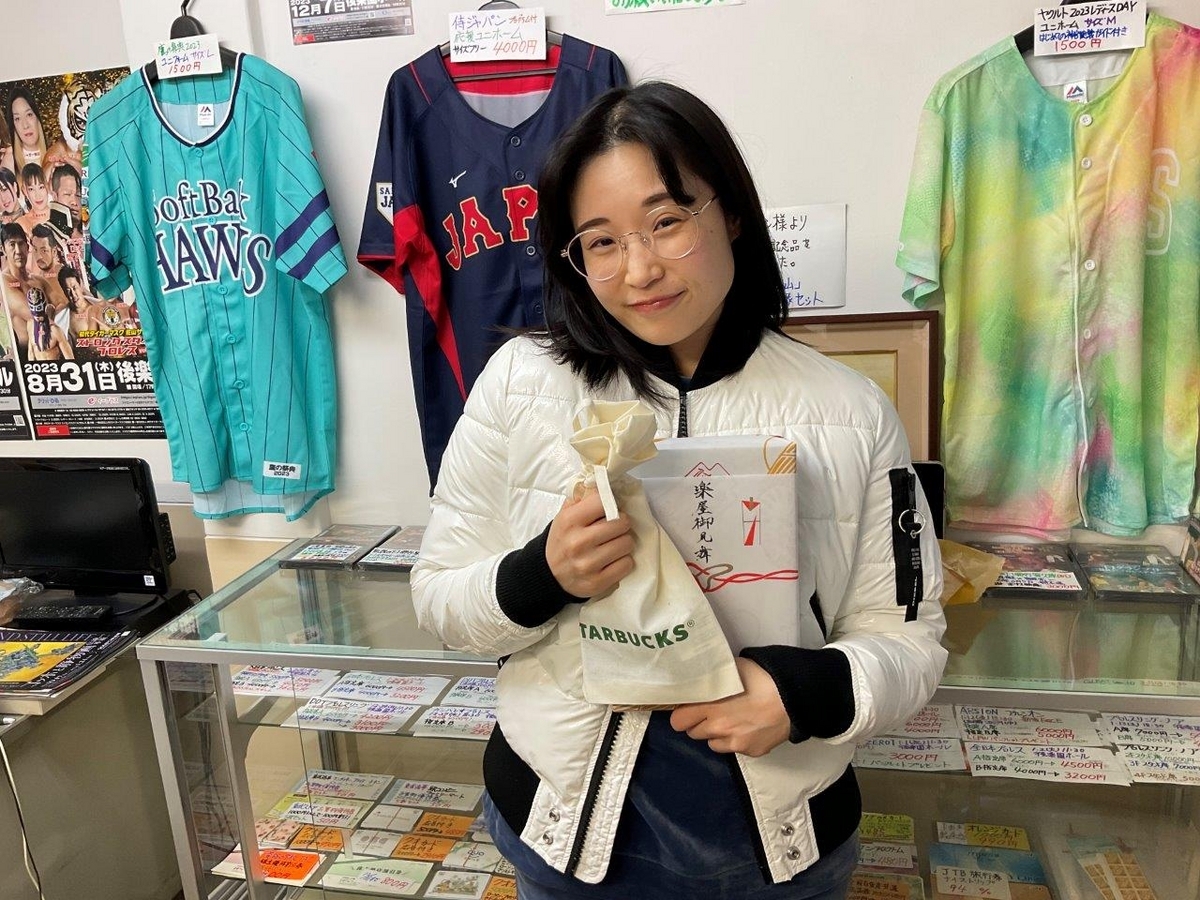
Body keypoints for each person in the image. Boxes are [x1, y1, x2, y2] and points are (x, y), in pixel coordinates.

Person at [411, 82, 947, 899]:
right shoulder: (521, 384)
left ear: (729, 213)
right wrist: (540, 576)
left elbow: (908, 638)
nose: (639, 270)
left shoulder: (851, 410)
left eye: (666, 222)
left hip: (782, 847)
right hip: (564, 836)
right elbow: (440, 598)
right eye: (601, 241)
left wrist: (806, 693)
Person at [1, 222, 56, 350]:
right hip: (27, 354)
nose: (18, 251)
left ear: (27, 247)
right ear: (3, 249)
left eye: (21, 244)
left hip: (52, 347)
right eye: (12, 245)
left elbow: (63, 304)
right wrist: (50, 310)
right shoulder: (4, 281)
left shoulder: (38, 280)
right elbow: (37, 317)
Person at [4, 86, 48, 174]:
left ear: (37, 117)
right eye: (17, 118)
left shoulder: (54, 157)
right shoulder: (9, 163)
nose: (25, 125)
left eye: (29, 115)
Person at [24, 285, 72, 361]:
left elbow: (70, 358)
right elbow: (31, 352)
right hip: (38, 367)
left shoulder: (55, 331)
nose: (37, 318)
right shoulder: (30, 325)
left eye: (39, 315)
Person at [16, 163, 51, 235]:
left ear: (47, 186)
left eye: (41, 187)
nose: (38, 195)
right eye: (31, 189)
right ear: (25, 191)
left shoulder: (60, 216)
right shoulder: (21, 223)